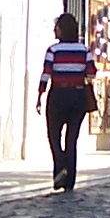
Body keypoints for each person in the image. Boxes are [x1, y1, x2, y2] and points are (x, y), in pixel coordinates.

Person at [37, 13, 96, 189]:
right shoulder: (84, 50)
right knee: (72, 139)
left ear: (62, 30)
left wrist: (40, 95)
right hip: (77, 96)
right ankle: (69, 179)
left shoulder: (53, 51)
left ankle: (60, 167)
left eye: (57, 28)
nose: (55, 31)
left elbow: (46, 74)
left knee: (54, 135)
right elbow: (92, 72)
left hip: (58, 96)